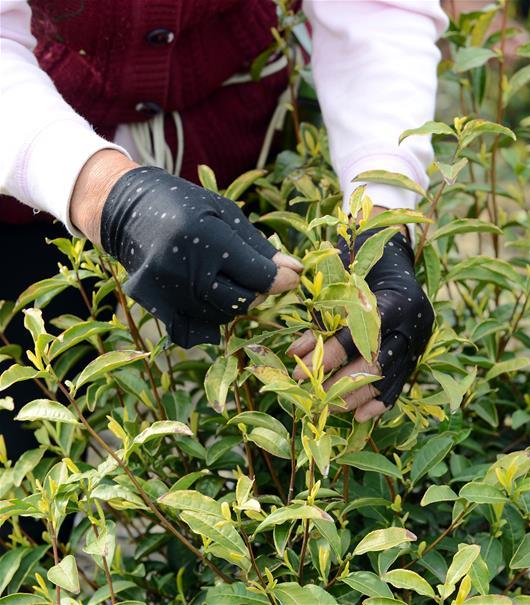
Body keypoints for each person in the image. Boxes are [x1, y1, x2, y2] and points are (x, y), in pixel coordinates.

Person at [0, 0, 447, 423]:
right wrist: (103, 191)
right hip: (25, 172)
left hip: (241, 159)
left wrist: (380, 219)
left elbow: (374, 13)